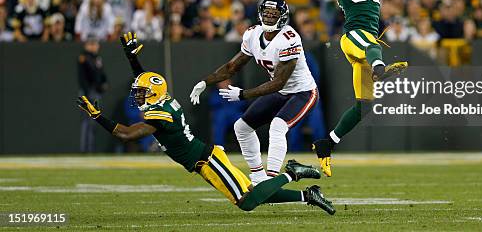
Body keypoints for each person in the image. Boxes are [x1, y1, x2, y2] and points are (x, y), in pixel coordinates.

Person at [77, 32, 334, 215]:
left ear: (153, 95)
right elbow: (145, 80)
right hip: (204, 160)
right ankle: (308, 195)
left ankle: (292, 172)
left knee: (247, 202)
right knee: (253, 192)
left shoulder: (159, 116)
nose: (138, 96)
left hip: (206, 161)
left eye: (142, 93)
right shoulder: (161, 102)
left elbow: (127, 134)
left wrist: (98, 117)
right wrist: (132, 59)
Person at [311, 0, 410, 176]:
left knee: (364, 106)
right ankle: (380, 70)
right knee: (372, 44)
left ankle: (327, 143)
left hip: (365, 45)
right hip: (353, 37)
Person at [189, 0, 319, 184]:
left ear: (282, 17)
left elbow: (279, 83)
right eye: (266, 14)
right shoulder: (252, 34)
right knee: (241, 128)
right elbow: (232, 66)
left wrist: (242, 94)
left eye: (274, 15)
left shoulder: (289, 39)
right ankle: (258, 176)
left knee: (277, 127)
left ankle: (272, 178)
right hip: (281, 92)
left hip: (302, 92)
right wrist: (205, 82)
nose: (269, 18)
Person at [77, 37, 107, 153]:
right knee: (86, 122)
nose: (95, 46)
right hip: (88, 92)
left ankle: (90, 149)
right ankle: (85, 150)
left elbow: (101, 74)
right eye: (92, 44)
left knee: (94, 122)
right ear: (87, 46)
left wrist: (104, 83)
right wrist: (86, 94)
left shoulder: (97, 58)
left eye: (95, 44)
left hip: (96, 92)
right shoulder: (83, 58)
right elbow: (83, 78)